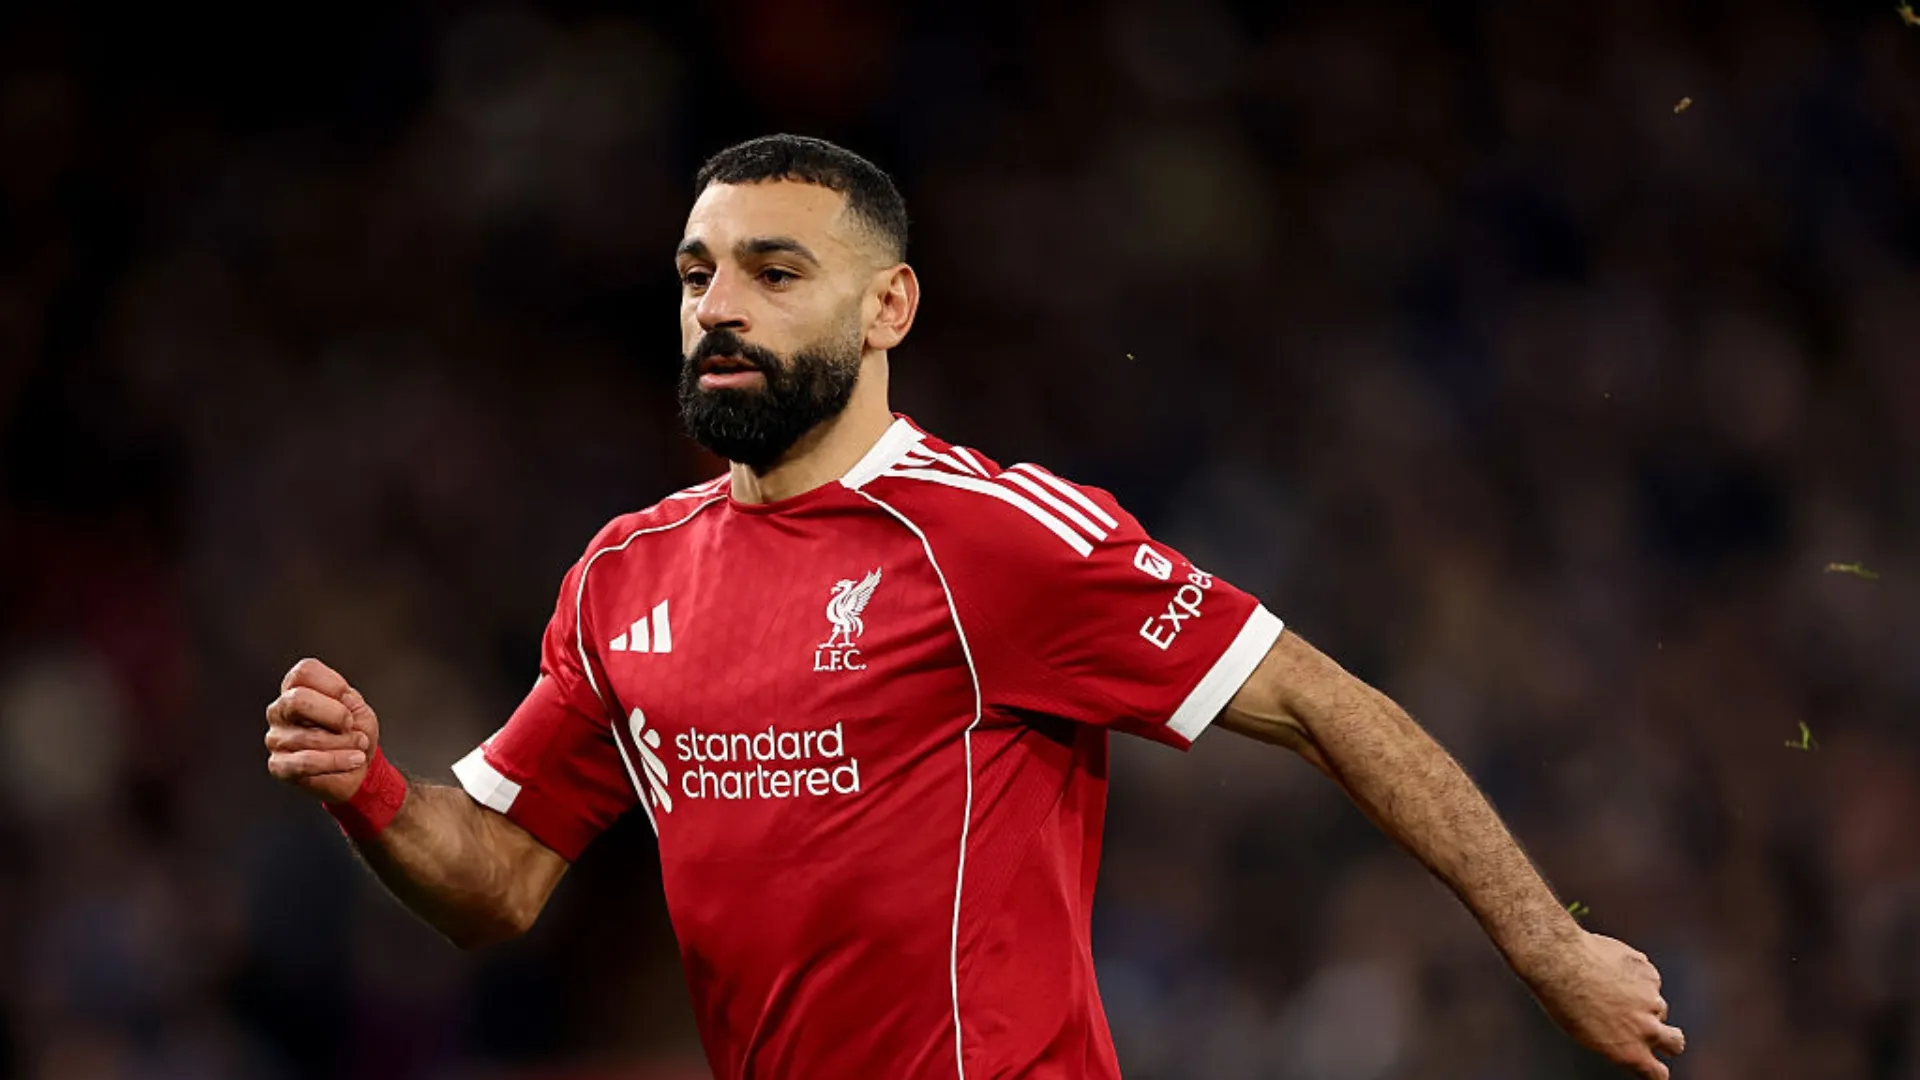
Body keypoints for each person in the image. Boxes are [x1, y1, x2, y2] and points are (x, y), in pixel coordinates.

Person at [263, 134, 1685, 1080]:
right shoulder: (625, 574)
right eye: (697, 274)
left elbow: (1321, 701)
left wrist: (1547, 941)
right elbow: (498, 883)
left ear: (888, 309)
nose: (718, 308)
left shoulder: (994, 542)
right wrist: (370, 788)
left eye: (774, 272)